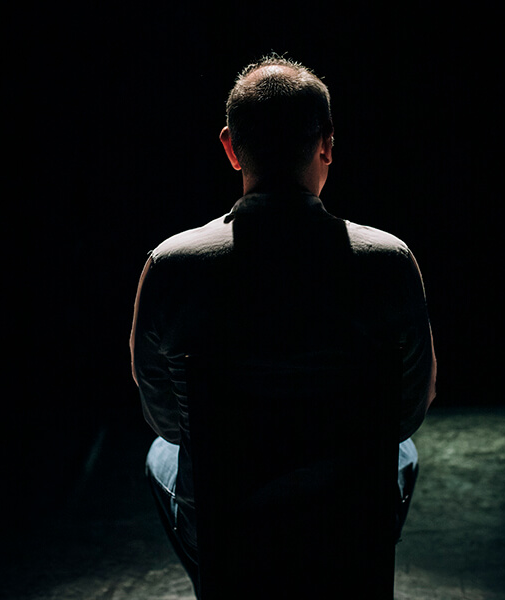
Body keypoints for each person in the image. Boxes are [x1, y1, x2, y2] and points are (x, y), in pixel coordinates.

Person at [130, 54, 437, 587]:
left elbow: (167, 420)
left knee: (163, 452)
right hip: (347, 517)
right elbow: (407, 412)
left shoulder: (170, 266)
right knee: (403, 450)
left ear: (230, 146)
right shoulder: (389, 262)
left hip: (229, 514)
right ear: (327, 145)